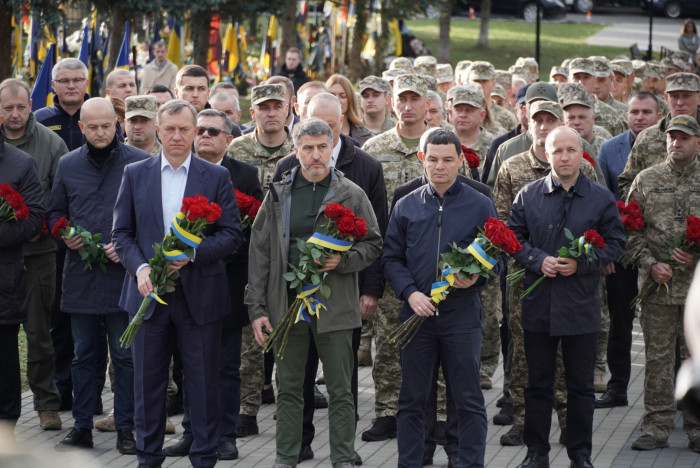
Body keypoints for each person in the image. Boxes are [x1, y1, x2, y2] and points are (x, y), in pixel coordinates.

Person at [112, 99, 242, 468]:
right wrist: (139, 269)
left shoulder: (216, 176)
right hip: (147, 296)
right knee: (148, 385)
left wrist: (194, 254)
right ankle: (148, 458)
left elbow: (232, 235)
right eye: (169, 128)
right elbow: (121, 234)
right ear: (157, 129)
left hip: (199, 296)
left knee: (202, 385)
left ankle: (203, 457)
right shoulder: (135, 174)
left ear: (196, 131)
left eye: (186, 129)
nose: (177, 136)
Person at [246, 118, 382, 468]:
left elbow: (373, 245)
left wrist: (345, 260)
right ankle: (285, 457)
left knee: (340, 389)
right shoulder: (279, 193)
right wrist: (257, 308)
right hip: (287, 307)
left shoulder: (350, 193)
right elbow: (259, 252)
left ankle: (341, 457)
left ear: (332, 147)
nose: (316, 154)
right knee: (289, 388)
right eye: (307, 147)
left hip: (334, 308)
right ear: (296, 151)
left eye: (322, 146)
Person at [382, 127, 505, 468]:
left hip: (461, 317)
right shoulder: (406, 205)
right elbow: (391, 258)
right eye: (433, 159)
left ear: (460, 161)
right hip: (416, 317)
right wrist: (410, 293)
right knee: (412, 399)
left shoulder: (480, 204)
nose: (440, 166)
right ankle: (410, 461)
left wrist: (479, 275)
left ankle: (469, 462)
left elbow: (499, 256)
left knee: (467, 397)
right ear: (422, 159)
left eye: (448, 159)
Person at [509, 126, 625, 468]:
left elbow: (616, 243)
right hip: (538, 306)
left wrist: (583, 263)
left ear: (581, 154)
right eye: (556, 150)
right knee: (538, 384)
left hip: (580, 305)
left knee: (580, 387)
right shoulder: (528, 195)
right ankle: (537, 452)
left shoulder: (600, 198)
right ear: (547, 155)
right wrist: (535, 259)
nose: (564, 156)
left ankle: (580, 453)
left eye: (571, 150)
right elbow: (513, 238)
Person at [493, 102, 598, 447]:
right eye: (537, 119)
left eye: (549, 120)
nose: (542, 125)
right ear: (529, 123)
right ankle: (525, 423)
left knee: (572, 368)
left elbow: (605, 235)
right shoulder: (513, 169)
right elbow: (506, 229)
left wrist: (580, 262)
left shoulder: (588, 177)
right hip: (527, 284)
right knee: (526, 360)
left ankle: (570, 426)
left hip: (574, 291)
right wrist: (535, 260)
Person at [48, 98, 149, 454]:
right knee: (82, 355)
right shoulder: (68, 164)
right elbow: (54, 213)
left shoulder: (139, 163)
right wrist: (64, 234)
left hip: (123, 278)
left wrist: (129, 248)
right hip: (81, 275)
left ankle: (126, 428)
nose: (101, 132)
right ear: (81, 128)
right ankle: (81, 426)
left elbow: (150, 221)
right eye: (92, 127)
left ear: (117, 124)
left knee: (124, 357)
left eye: (107, 125)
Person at [164, 109, 263, 461]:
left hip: (228, 281)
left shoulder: (246, 175)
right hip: (183, 281)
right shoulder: (181, 171)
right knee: (189, 364)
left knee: (223, 364)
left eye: (212, 131)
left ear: (228, 138)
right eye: (200, 130)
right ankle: (193, 432)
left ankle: (224, 434)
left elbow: (251, 235)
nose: (204, 135)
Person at [361, 75, 432, 442]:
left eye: (414, 99)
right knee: (387, 341)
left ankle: (428, 413)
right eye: (401, 99)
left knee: (432, 342)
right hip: (389, 261)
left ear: (427, 103)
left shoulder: (441, 145)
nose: (407, 106)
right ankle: (387, 411)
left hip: (433, 264)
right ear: (392, 102)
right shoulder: (374, 148)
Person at [625, 115, 700, 452]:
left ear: (697, 142)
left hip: (696, 292)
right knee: (656, 360)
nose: (675, 143)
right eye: (671, 137)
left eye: (683, 137)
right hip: (657, 289)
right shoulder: (646, 179)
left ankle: (697, 430)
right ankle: (656, 427)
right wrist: (649, 263)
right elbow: (627, 229)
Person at [226, 84, 294, 437]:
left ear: (288, 110)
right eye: (263, 106)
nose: (270, 112)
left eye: (276, 106)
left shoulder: (300, 149)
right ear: (251, 112)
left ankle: (293, 403)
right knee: (249, 337)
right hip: (246, 256)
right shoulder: (237, 149)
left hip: (291, 257)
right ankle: (246, 408)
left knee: (291, 334)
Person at [0, 78, 68, 431]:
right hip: (1, 259)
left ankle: (45, 403)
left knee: (39, 332)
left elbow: (60, 195)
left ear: (31, 105)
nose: (15, 114)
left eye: (21, 107)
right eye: (7, 107)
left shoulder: (50, 141)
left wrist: (45, 225)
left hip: (37, 252)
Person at [595, 92, 662, 411]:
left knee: (662, 321)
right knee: (620, 321)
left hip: (661, 248)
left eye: (646, 111)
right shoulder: (609, 149)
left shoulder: (670, 143)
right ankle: (618, 386)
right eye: (634, 111)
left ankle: (670, 392)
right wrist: (606, 252)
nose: (639, 117)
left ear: (658, 114)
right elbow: (605, 202)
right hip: (621, 249)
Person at [35, 57, 91, 413]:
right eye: (64, 81)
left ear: (87, 83)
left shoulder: (99, 119)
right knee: (58, 318)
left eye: (77, 80)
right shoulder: (41, 122)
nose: (71, 86)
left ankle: (89, 391)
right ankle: (61, 390)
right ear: (53, 85)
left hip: (94, 237)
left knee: (90, 321)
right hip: (54, 238)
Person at [0, 112, 45, 442]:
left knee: (3, 358)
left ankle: (6, 430)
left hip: (4, 279)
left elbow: (34, 220)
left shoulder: (20, 163)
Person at [618, 73, 700, 200]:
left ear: (698, 97)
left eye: (686, 96)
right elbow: (627, 181)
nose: (679, 102)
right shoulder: (647, 137)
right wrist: (644, 210)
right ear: (666, 98)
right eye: (674, 96)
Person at [568, 58, 628, 137]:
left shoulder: (611, 114)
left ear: (594, 80)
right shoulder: (559, 112)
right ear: (568, 80)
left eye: (586, 77)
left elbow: (620, 146)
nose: (581, 82)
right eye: (576, 77)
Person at [467, 61, 518, 132]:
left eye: (485, 81)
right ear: (468, 82)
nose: (480, 85)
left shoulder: (507, 117)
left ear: (493, 84)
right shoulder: (460, 115)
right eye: (476, 81)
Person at [327, 74, 375, 147]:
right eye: (332, 95)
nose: (337, 100)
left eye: (342, 96)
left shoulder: (366, 137)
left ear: (350, 100)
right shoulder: (312, 133)